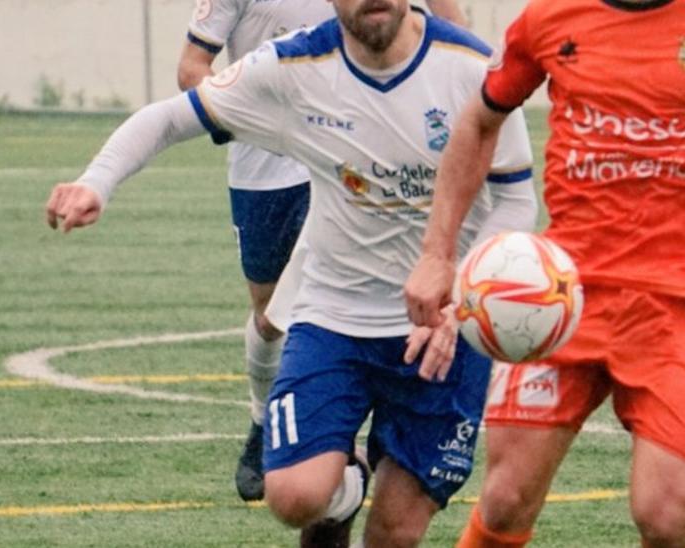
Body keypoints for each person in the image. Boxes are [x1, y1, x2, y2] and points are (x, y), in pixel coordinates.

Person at [45, 0, 536, 545]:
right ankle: (348, 483)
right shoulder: (291, 68)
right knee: (295, 497)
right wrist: (97, 181)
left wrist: (460, 303)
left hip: (440, 331)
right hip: (334, 316)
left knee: (395, 532)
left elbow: (515, 202)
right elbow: (170, 116)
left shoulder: (470, 66)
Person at [404, 0, 685, 545]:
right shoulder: (550, 18)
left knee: (664, 514)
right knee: (504, 500)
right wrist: (437, 254)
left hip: (680, 303)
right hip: (563, 301)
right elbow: (477, 121)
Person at [177, 0, 469, 502]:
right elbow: (191, 68)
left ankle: (346, 450)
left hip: (353, 169)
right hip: (264, 173)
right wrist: (250, 118)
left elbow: (460, 47)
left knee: (342, 308)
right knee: (270, 319)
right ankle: (263, 418)